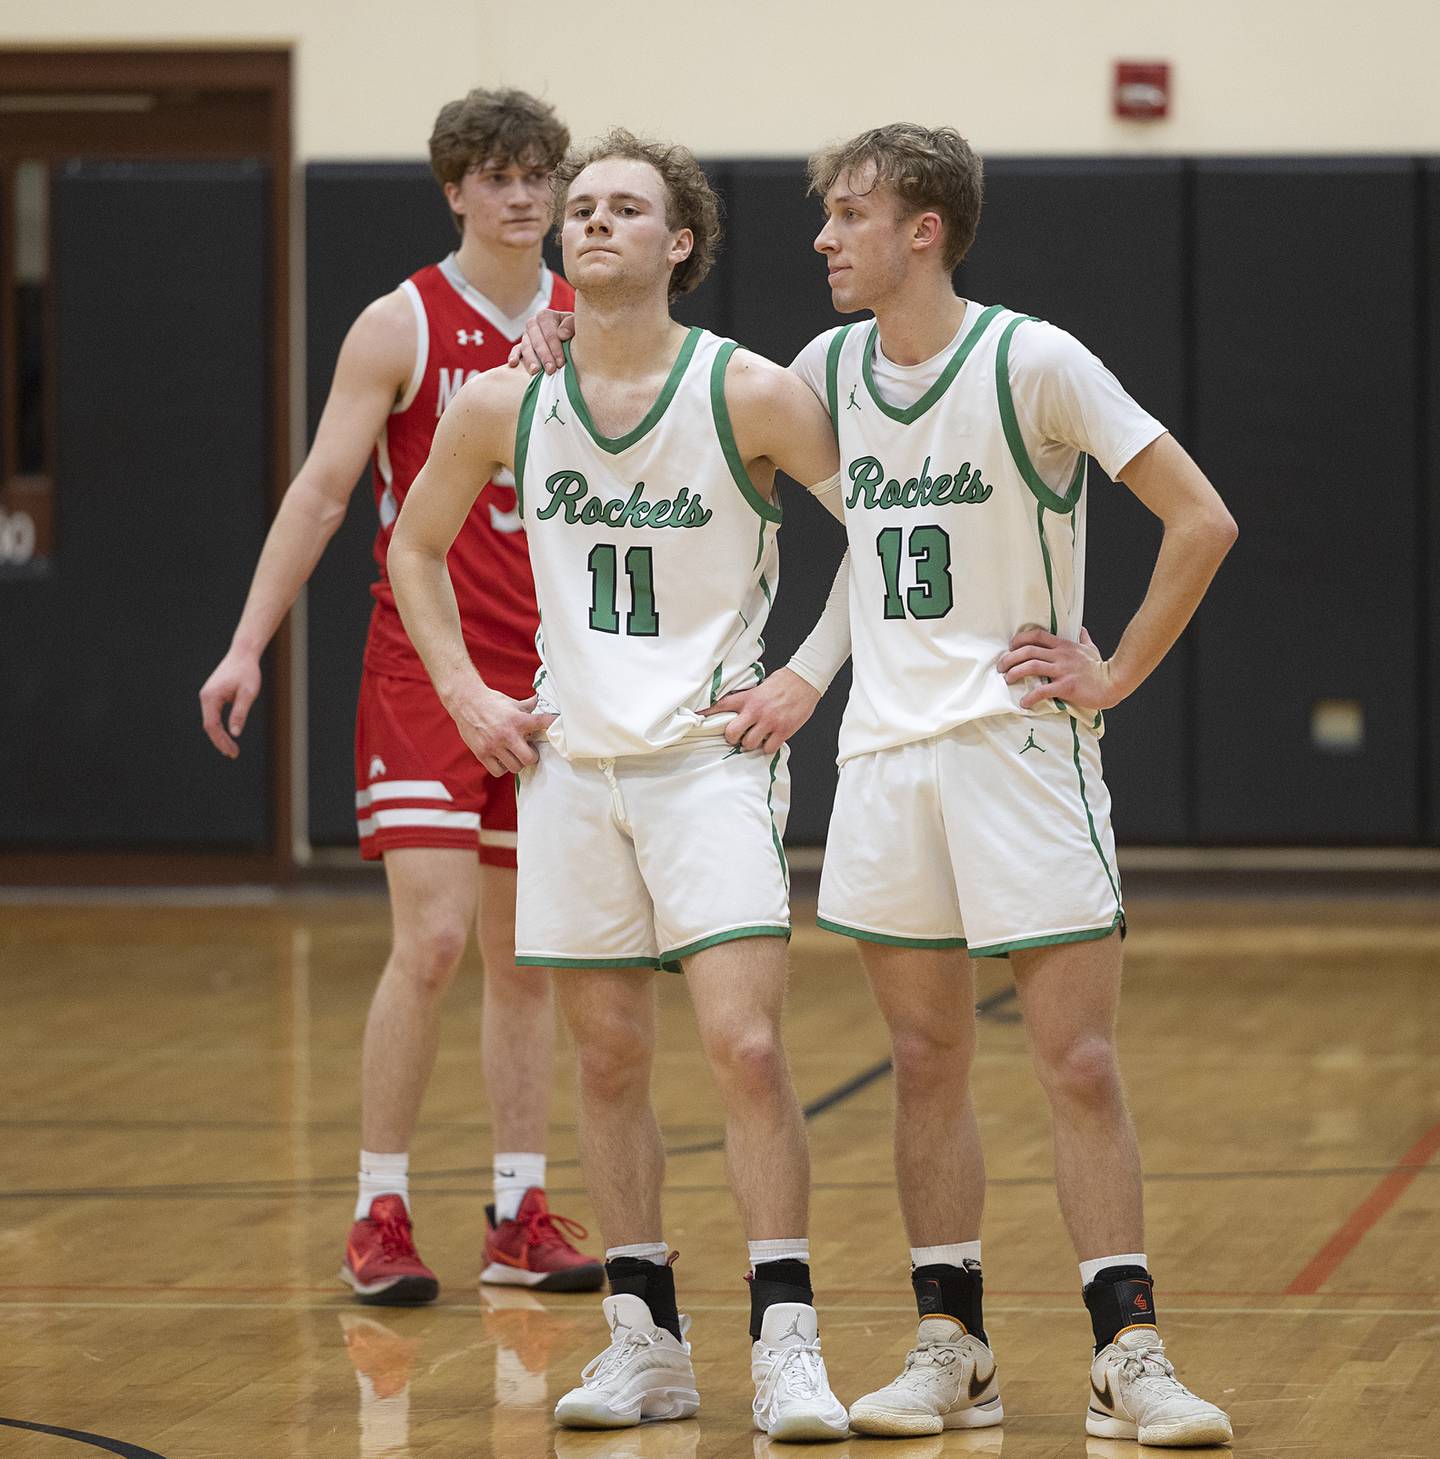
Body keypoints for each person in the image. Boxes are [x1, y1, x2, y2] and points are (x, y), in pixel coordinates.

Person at [516, 120, 1239, 1449]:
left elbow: (1201, 515)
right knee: (923, 1057)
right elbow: (686, 410)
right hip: (886, 760)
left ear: (924, 230)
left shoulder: (1035, 359)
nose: (823, 238)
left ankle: (1128, 1348)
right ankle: (949, 1341)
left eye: (849, 215)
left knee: (1075, 1057)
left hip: (1022, 751)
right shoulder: (825, 369)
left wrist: (1119, 668)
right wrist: (556, 339)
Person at [387, 129, 851, 1441]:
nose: (590, 222)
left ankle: (788, 1343)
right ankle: (645, 1342)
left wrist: (805, 676)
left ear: (678, 241)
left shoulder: (751, 391)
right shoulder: (501, 400)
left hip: (709, 761)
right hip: (570, 767)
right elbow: (415, 550)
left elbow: (883, 539)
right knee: (605, 1055)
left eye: (623, 208)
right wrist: (472, 694)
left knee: (746, 1047)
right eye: (577, 207)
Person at [199, 87, 601, 1304]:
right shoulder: (400, 323)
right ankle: (379, 1206)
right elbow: (324, 492)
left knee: (526, 958)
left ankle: (518, 1212)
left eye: (541, 174)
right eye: (498, 175)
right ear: (456, 190)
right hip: (424, 669)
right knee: (429, 943)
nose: (524, 195)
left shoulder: (594, 320)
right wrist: (246, 644)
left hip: (548, 681)